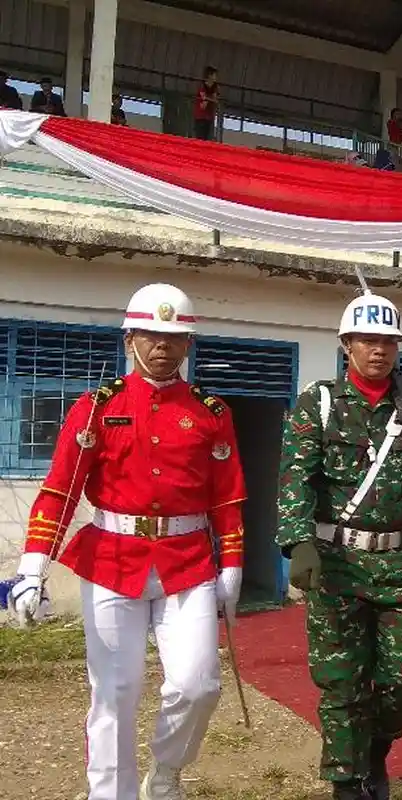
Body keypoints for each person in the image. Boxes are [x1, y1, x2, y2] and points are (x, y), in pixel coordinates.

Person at [8, 283, 247, 800]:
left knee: (198, 686)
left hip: (188, 565)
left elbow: (227, 498)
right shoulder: (98, 408)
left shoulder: (212, 412)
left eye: (172, 336)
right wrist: (32, 567)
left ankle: (166, 773)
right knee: (115, 693)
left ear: (187, 345)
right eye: (149, 334)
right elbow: (59, 490)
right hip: (112, 561)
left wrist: (232, 565)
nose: (161, 345)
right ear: (129, 339)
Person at [277, 290, 402, 800]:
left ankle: (374, 751)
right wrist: (298, 543)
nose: (377, 350)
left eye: (387, 340)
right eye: (367, 339)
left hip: (398, 564)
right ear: (347, 344)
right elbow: (295, 478)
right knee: (341, 681)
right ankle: (347, 782)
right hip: (337, 563)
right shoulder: (318, 405)